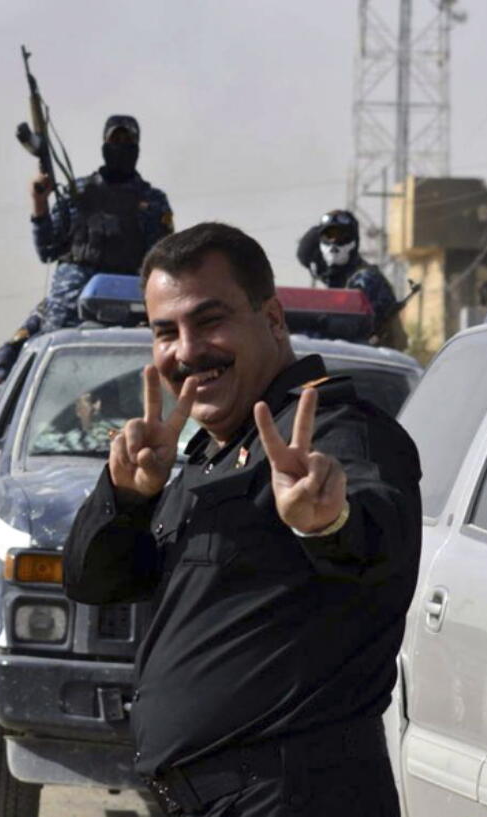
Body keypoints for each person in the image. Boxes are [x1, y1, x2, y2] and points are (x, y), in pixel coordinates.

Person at [63, 222, 421, 816]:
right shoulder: (212, 456)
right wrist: (127, 496)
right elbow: (94, 583)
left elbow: (376, 542)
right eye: (165, 332)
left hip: (293, 797)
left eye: (209, 322)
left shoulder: (339, 433)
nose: (186, 351)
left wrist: (326, 521)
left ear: (274, 319)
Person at [32, 114, 174, 333]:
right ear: (105, 145)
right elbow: (47, 250)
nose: (121, 147)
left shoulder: (153, 200)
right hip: (69, 304)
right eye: (115, 141)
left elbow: (164, 262)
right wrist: (39, 203)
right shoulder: (76, 193)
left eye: (128, 142)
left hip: (129, 301)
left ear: (137, 147)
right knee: (6, 357)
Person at [296, 209, 408, 350]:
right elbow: (304, 254)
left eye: (340, 236)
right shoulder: (337, 277)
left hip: (371, 360)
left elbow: (345, 327)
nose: (333, 244)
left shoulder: (365, 279)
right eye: (328, 236)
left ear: (353, 241)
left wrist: (311, 324)